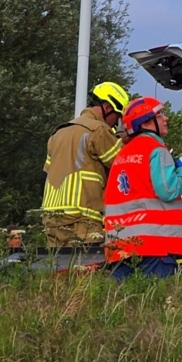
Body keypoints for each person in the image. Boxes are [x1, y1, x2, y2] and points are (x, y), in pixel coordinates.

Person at [104, 96, 182, 281]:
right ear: (146, 123)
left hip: (120, 247)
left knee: (126, 306)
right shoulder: (156, 149)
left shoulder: (123, 154)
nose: (166, 118)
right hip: (155, 245)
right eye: (160, 115)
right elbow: (168, 190)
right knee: (156, 304)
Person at [41, 82, 128, 247]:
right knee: (86, 269)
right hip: (82, 220)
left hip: (51, 218)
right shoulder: (99, 130)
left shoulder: (57, 133)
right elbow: (122, 164)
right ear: (108, 107)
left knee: (58, 269)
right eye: (117, 117)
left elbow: (47, 172)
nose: (116, 124)